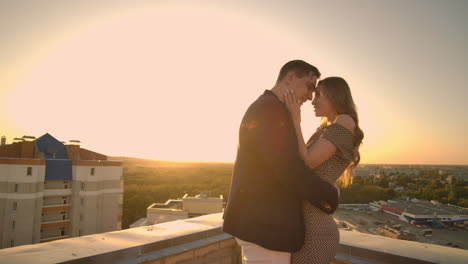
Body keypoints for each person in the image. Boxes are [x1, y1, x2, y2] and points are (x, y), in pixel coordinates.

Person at [223, 60, 339, 264]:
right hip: (264, 227)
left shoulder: (268, 107)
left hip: (260, 225)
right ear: (291, 77)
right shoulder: (270, 110)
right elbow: (288, 170)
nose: (310, 96)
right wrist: (330, 195)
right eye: (309, 86)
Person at [284, 77, 364, 263]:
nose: (313, 100)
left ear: (335, 96)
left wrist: (295, 120)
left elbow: (308, 162)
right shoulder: (327, 127)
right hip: (307, 228)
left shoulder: (344, 121)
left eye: (319, 94)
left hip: (316, 232)